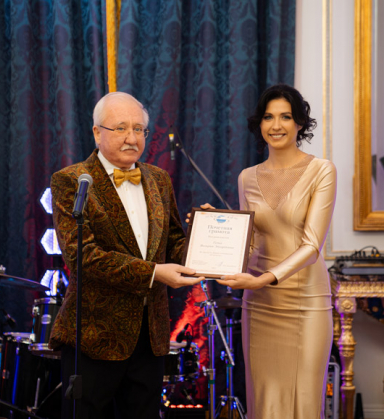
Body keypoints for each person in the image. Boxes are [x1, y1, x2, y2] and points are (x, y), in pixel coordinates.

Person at [49, 91, 203, 418]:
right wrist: (154, 273)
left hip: (150, 336)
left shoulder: (159, 179)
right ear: (97, 132)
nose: (131, 138)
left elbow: (174, 242)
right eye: (120, 128)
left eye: (138, 129)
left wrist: (206, 238)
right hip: (93, 336)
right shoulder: (71, 181)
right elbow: (83, 256)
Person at [216, 84, 337, 419]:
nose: (276, 125)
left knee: (304, 400)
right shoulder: (247, 178)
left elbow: (311, 245)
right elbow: (251, 242)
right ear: (260, 124)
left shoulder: (322, 170)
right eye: (268, 117)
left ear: (300, 123)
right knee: (264, 400)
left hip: (306, 302)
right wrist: (218, 226)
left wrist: (264, 279)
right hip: (260, 304)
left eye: (285, 117)